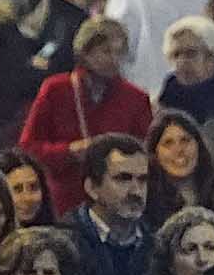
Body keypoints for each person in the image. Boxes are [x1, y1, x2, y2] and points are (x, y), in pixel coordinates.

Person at [16, 18, 154, 222]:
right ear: (84, 53)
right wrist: (69, 151)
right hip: (64, 201)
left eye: (119, 52)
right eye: (106, 51)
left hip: (118, 206)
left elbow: (147, 152)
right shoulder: (56, 90)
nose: (114, 60)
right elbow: (28, 147)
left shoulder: (136, 98)